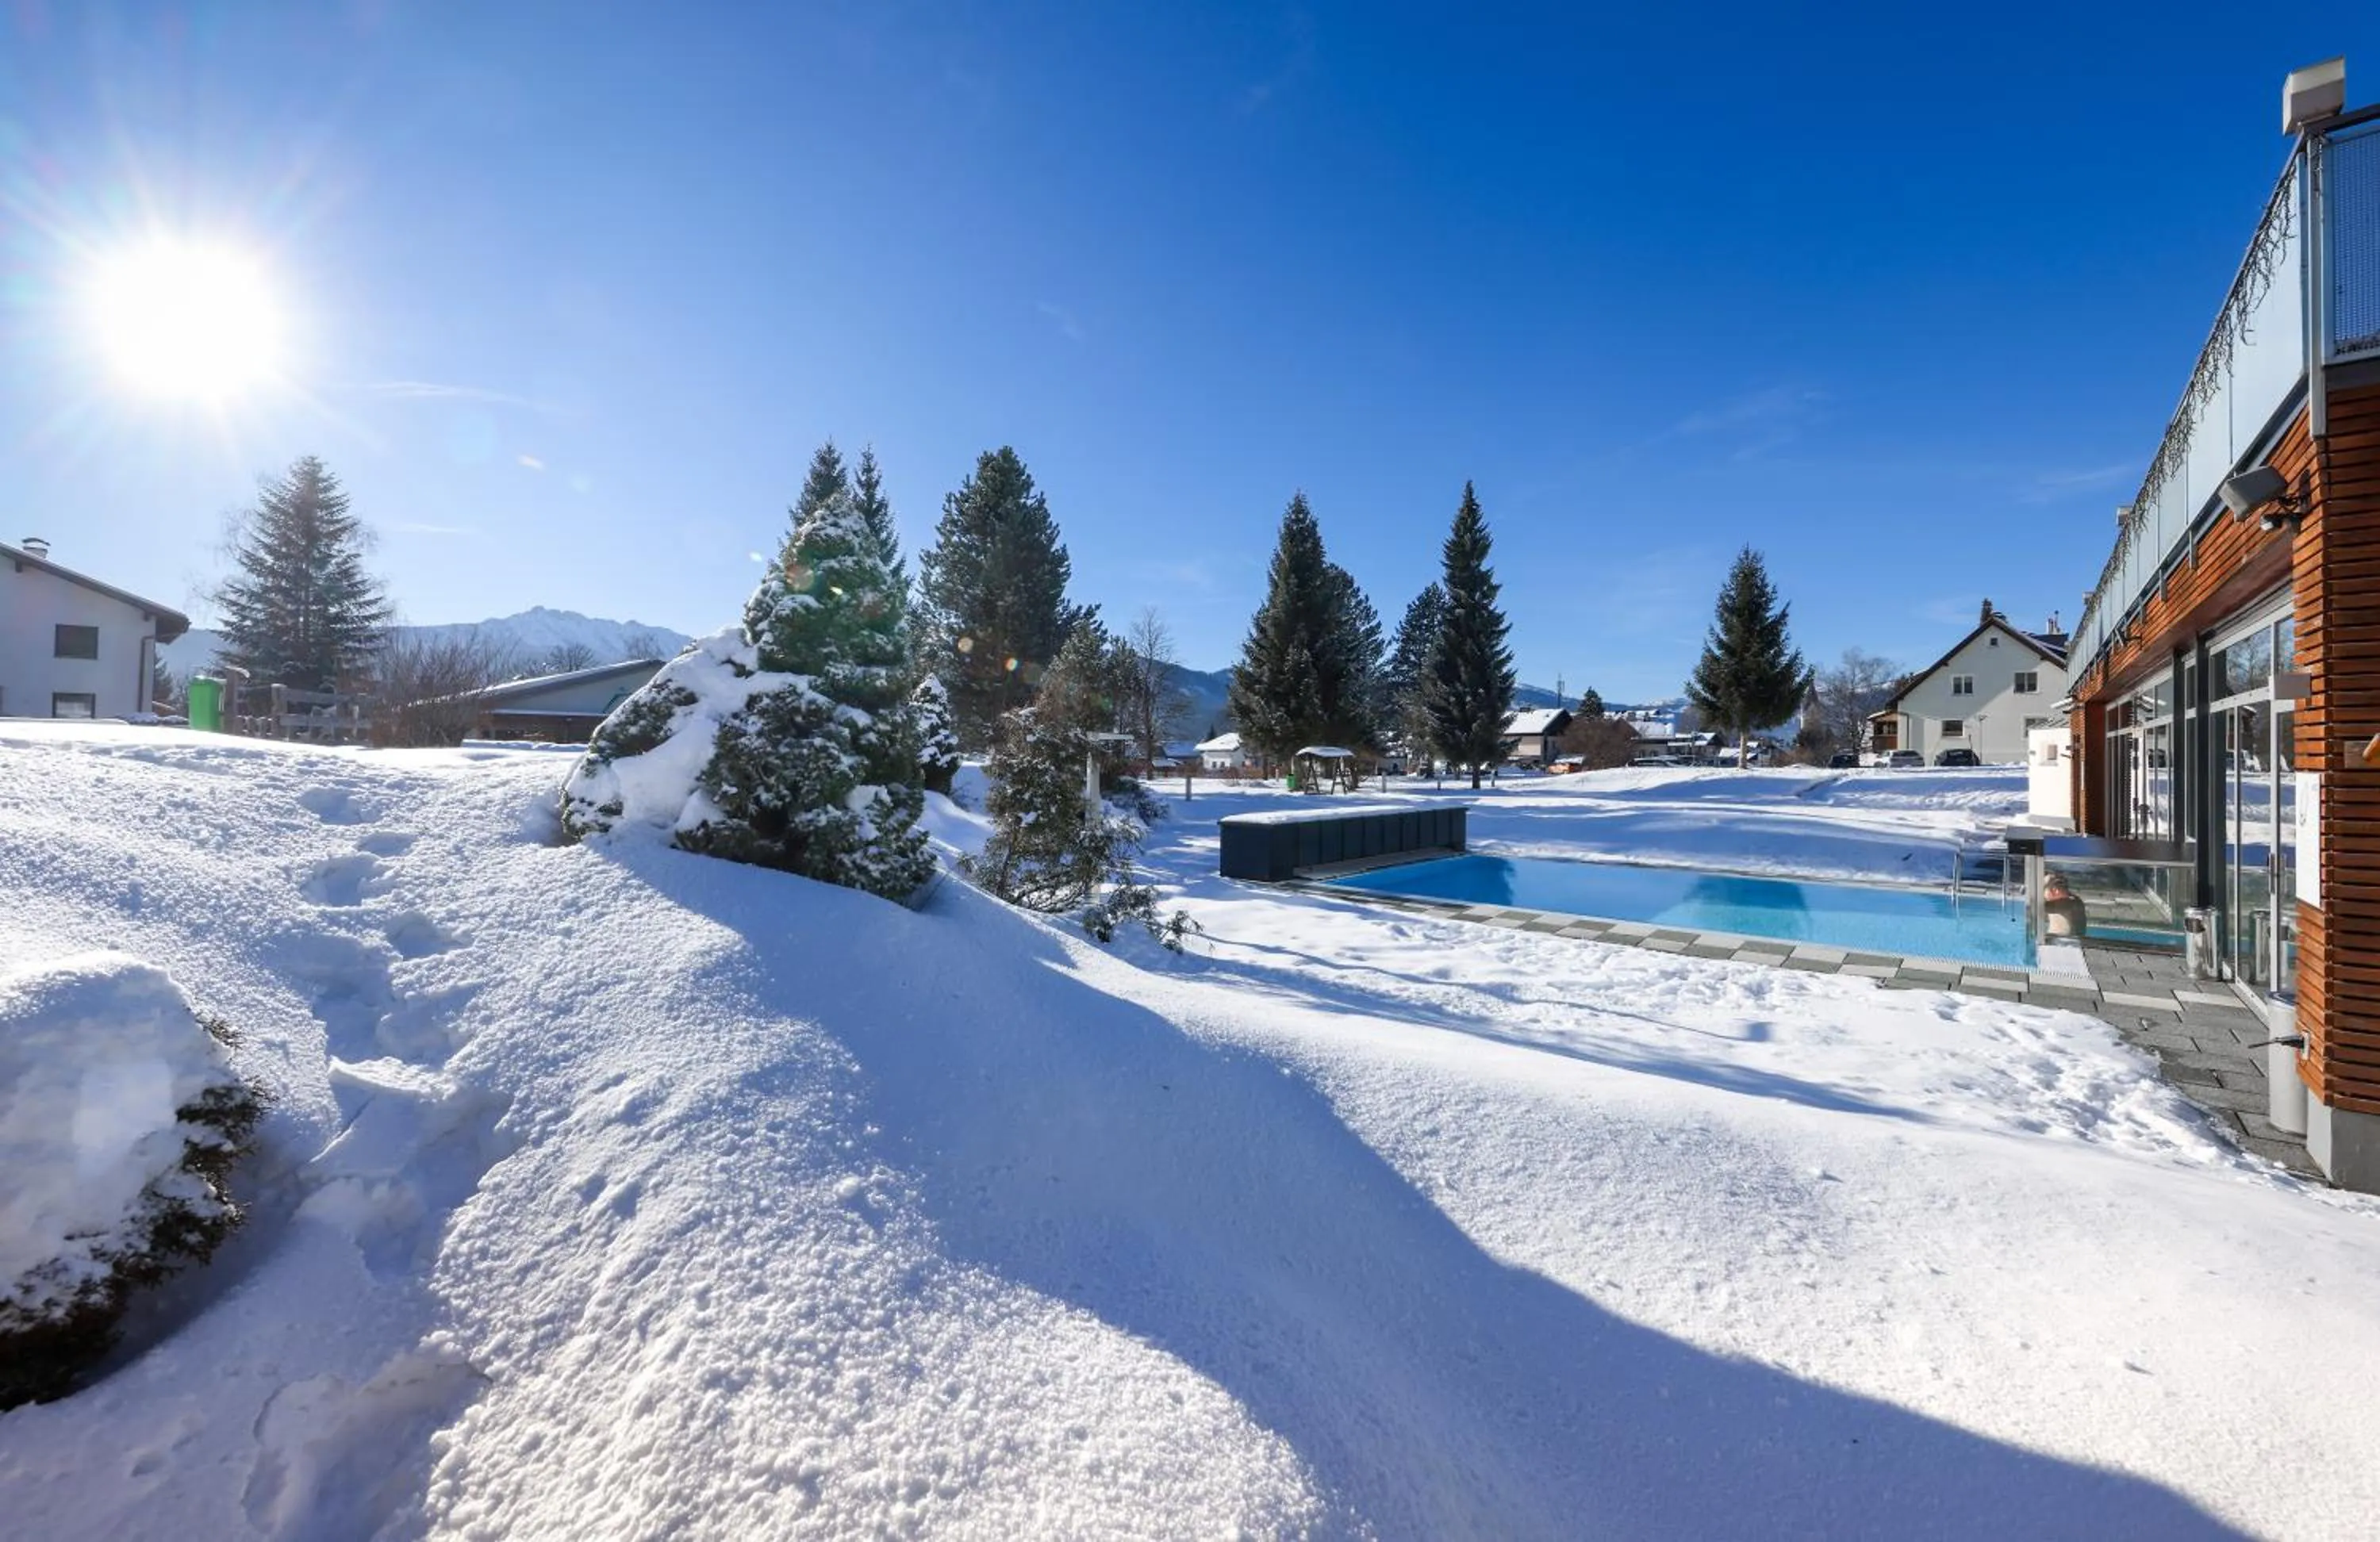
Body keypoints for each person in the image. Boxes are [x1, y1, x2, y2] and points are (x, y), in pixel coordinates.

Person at [2042, 871, 2089, 938]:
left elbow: (2038, 907)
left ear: (2055, 890)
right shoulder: (2074, 901)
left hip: (2066, 942)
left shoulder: (2071, 902)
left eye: (2044, 889)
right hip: (2059, 941)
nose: (2043, 894)